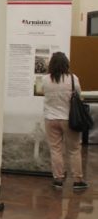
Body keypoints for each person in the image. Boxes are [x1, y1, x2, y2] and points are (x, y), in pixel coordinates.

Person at [42, 52, 88, 190]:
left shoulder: (45, 79)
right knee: (74, 150)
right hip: (69, 119)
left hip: (50, 119)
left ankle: (58, 179)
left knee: (56, 149)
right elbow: (78, 95)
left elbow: (43, 92)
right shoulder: (73, 79)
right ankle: (78, 180)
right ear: (66, 64)